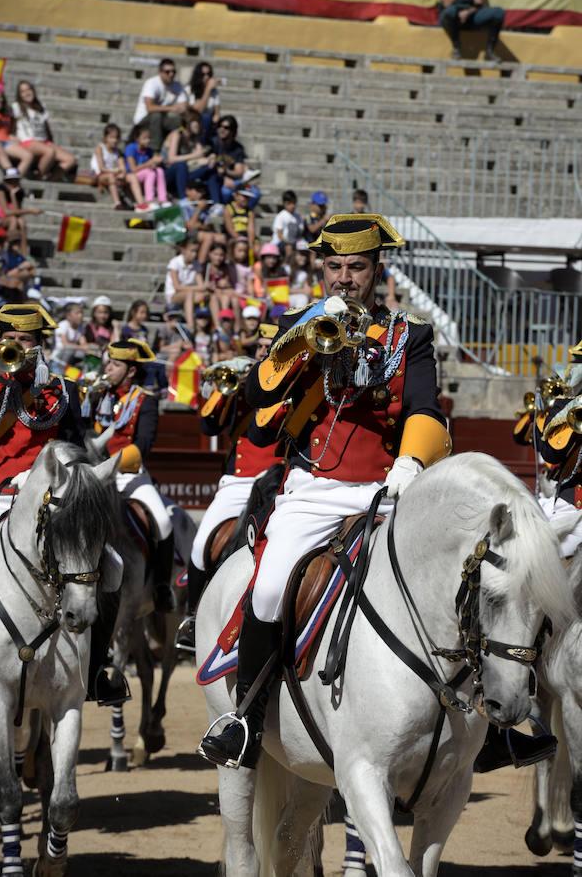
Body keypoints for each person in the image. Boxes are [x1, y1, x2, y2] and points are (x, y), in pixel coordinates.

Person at [199, 212, 454, 768]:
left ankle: (482, 719)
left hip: (389, 489)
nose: (344, 277)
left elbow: (425, 409)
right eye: (334, 266)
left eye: (357, 267)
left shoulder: (409, 336)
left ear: (376, 269)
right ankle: (246, 716)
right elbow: (261, 417)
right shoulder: (300, 324)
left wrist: (409, 464)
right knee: (267, 591)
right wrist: (302, 339)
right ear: (321, 268)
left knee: (454, 575)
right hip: (315, 490)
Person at [0, 302, 126, 705]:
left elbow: (77, 445)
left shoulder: (61, 389)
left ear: (39, 346)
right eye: (7, 339)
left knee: (112, 567)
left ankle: (99, 666)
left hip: (46, 493)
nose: (15, 345)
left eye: (24, 340)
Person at [177, 323, 283, 652]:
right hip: (238, 482)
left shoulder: (294, 381)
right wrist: (224, 392)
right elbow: (209, 425)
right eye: (260, 346)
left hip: (277, 481)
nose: (264, 351)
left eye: (271, 345)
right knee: (198, 546)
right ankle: (192, 618)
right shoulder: (243, 387)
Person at [93, 339, 176, 612]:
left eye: (115, 364)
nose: (108, 367)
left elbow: (143, 444)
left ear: (130, 371)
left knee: (163, 521)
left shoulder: (145, 400)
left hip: (129, 475)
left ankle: (162, 587)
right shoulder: (99, 395)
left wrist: (113, 463)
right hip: (95, 476)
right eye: (109, 361)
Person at [535, 345, 582, 558]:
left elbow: (552, 453)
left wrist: (562, 401)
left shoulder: (574, 406)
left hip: (575, 506)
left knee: (543, 558)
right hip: (570, 499)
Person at [12, 80, 77, 180]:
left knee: (70, 159)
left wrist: (51, 142)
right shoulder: (16, 107)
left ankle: (51, 180)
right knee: (49, 152)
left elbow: (46, 128)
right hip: (28, 141)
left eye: (29, 89)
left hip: (43, 141)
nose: (27, 93)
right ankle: (38, 178)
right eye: (23, 91)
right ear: (19, 94)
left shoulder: (40, 107)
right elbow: (10, 123)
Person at [439, 0, 505, 62]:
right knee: (449, 12)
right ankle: (456, 47)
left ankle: (490, 51)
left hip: (470, 16)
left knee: (498, 13)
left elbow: (478, 3)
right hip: (453, 18)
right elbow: (447, 3)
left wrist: (468, 12)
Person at [132, 58, 188, 151]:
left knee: (180, 120)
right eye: (167, 72)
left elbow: (184, 106)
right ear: (160, 72)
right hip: (144, 119)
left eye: (173, 71)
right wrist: (172, 108)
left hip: (163, 118)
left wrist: (179, 109)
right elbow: (150, 108)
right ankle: (155, 149)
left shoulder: (177, 85)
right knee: (156, 115)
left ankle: (182, 149)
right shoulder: (152, 83)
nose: (171, 74)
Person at [0, 167, 42, 255]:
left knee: (21, 222)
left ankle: (23, 254)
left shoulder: (17, 192)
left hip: (12, 220)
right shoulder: (0, 191)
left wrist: (13, 195)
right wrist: (30, 211)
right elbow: (6, 212)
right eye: (10, 181)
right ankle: (10, 249)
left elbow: (16, 211)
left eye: (15, 180)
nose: (13, 183)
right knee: (13, 220)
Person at [0, 86, 33, 176]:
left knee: (28, 156)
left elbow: (9, 129)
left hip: (5, 142)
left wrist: (12, 136)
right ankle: (10, 172)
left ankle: (14, 179)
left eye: (0, 97)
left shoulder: (6, 113)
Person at [91, 123, 143, 210]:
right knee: (111, 177)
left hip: (112, 173)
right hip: (99, 175)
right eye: (111, 137)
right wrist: (116, 171)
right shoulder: (100, 148)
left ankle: (141, 203)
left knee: (132, 177)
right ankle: (117, 203)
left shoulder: (117, 151)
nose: (114, 140)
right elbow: (101, 168)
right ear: (105, 138)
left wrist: (122, 173)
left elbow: (122, 167)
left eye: (116, 138)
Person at [125, 126, 168, 211]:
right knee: (150, 172)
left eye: (149, 138)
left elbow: (151, 165)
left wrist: (156, 163)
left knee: (159, 170)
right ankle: (149, 200)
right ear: (137, 139)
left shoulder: (148, 150)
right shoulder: (131, 148)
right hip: (132, 175)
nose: (148, 141)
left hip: (143, 173)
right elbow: (133, 169)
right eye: (144, 138)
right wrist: (150, 163)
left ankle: (163, 199)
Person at [164, 235, 203, 326]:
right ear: (183, 250)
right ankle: (190, 324)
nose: (195, 254)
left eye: (196, 251)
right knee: (189, 294)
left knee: (207, 295)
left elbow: (201, 285)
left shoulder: (196, 264)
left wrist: (202, 288)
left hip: (190, 292)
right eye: (192, 251)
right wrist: (199, 288)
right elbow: (177, 287)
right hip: (174, 295)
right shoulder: (175, 263)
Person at [185, 61, 221, 140]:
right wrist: (207, 89)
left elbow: (217, 113)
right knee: (205, 117)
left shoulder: (214, 91)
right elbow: (199, 110)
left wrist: (215, 120)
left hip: (209, 124)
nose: (206, 77)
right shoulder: (189, 90)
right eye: (203, 75)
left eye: (208, 74)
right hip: (193, 121)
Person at [51, 302, 87, 373]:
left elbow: (84, 344)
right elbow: (65, 344)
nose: (81, 315)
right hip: (58, 359)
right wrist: (81, 347)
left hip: (70, 360)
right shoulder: (63, 325)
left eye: (82, 313)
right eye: (77, 313)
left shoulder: (80, 328)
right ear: (68, 315)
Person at [272, 189, 303, 259]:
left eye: (294, 203)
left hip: (294, 242)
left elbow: (300, 234)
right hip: (280, 243)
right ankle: (287, 265)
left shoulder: (298, 217)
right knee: (288, 247)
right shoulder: (281, 216)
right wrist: (289, 242)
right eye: (289, 203)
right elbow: (279, 235)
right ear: (284, 203)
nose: (292, 206)